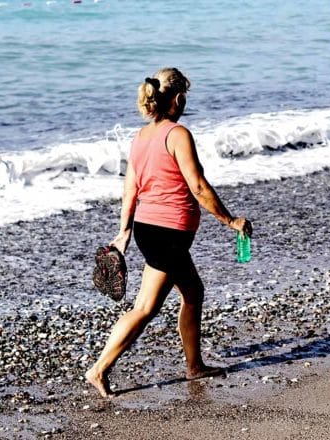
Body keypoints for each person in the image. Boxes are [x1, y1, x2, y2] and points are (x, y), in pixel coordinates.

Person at [84, 67, 252, 397]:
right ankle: (100, 368)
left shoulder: (141, 137)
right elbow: (199, 186)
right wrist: (231, 221)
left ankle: (194, 365)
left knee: (191, 293)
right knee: (147, 307)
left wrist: (124, 231)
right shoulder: (177, 135)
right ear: (178, 98)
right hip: (168, 233)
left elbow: (130, 189)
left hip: (149, 229)